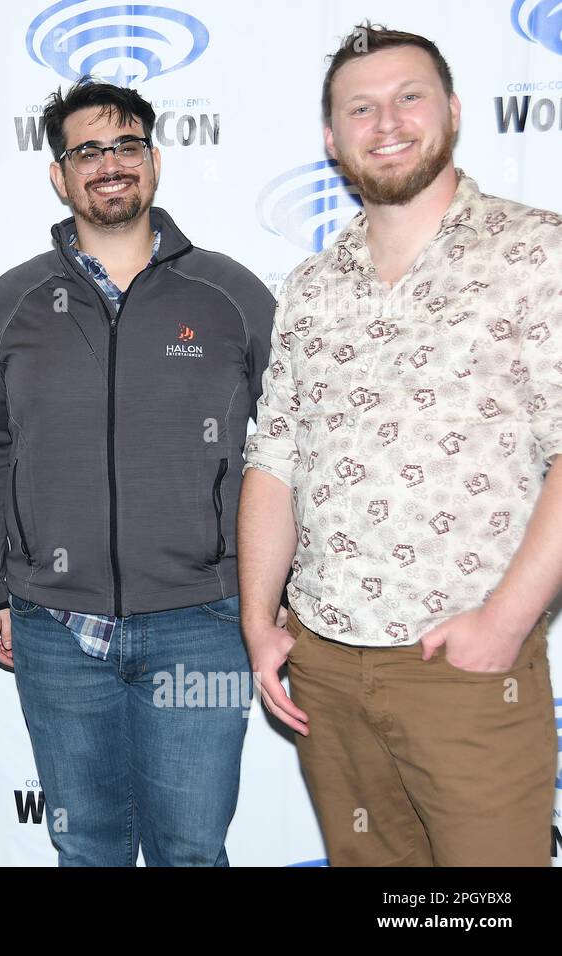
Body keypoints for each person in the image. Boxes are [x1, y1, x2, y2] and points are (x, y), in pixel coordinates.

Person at [240, 24, 561, 866]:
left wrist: (505, 621)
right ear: (331, 137)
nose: (387, 122)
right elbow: (275, 460)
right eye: (361, 107)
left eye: (408, 97)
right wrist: (256, 620)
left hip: (461, 666)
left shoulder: (538, 252)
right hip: (326, 668)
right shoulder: (310, 286)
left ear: (452, 110)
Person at [0, 77, 276, 866]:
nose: (109, 164)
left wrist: (278, 595)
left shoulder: (229, 294)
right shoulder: (13, 300)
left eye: (126, 145)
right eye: (87, 150)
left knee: (190, 851)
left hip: (203, 623)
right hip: (54, 628)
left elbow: (290, 448)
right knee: (89, 852)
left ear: (154, 159)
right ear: (59, 173)